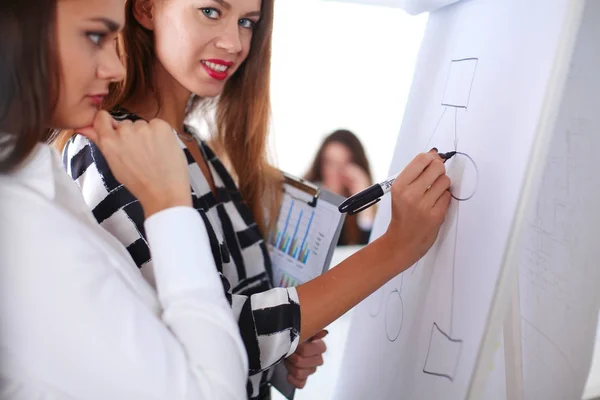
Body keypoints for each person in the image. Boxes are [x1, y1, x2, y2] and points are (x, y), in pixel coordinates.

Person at [56, 1, 452, 398]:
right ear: (145, 10)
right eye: (211, 11)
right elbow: (217, 340)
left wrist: (279, 353)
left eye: (247, 22)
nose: (234, 43)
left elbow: (230, 318)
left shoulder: (201, 151)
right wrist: (396, 247)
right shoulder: (108, 149)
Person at [0, 1, 248, 398]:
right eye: (95, 36)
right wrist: (169, 205)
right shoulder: (22, 232)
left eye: (248, 22)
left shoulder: (40, 180)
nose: (115, 67)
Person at [304, 129, 376, 246]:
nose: (336, 172)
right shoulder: (309, 197)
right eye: (330, 163)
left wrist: (365, 199)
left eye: (343, 164)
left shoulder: (354, 207)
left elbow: (369, 247)